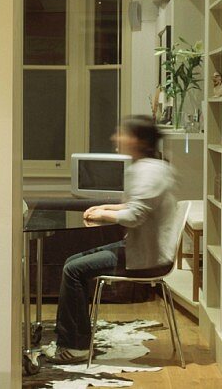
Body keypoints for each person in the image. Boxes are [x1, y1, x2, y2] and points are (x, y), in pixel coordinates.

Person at [48, 116, 178, 364]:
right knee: (73, 262)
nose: (115, 138)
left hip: (147, 258)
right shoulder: (151, 167)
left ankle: (76, 347)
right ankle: (75, 337)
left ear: (138, 140)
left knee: (73, 269)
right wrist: (107, 206)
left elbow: (134, 216)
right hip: (138, 249)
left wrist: (104, 214)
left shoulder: (148, 171)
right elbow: (136, 206)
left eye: (122, 133)